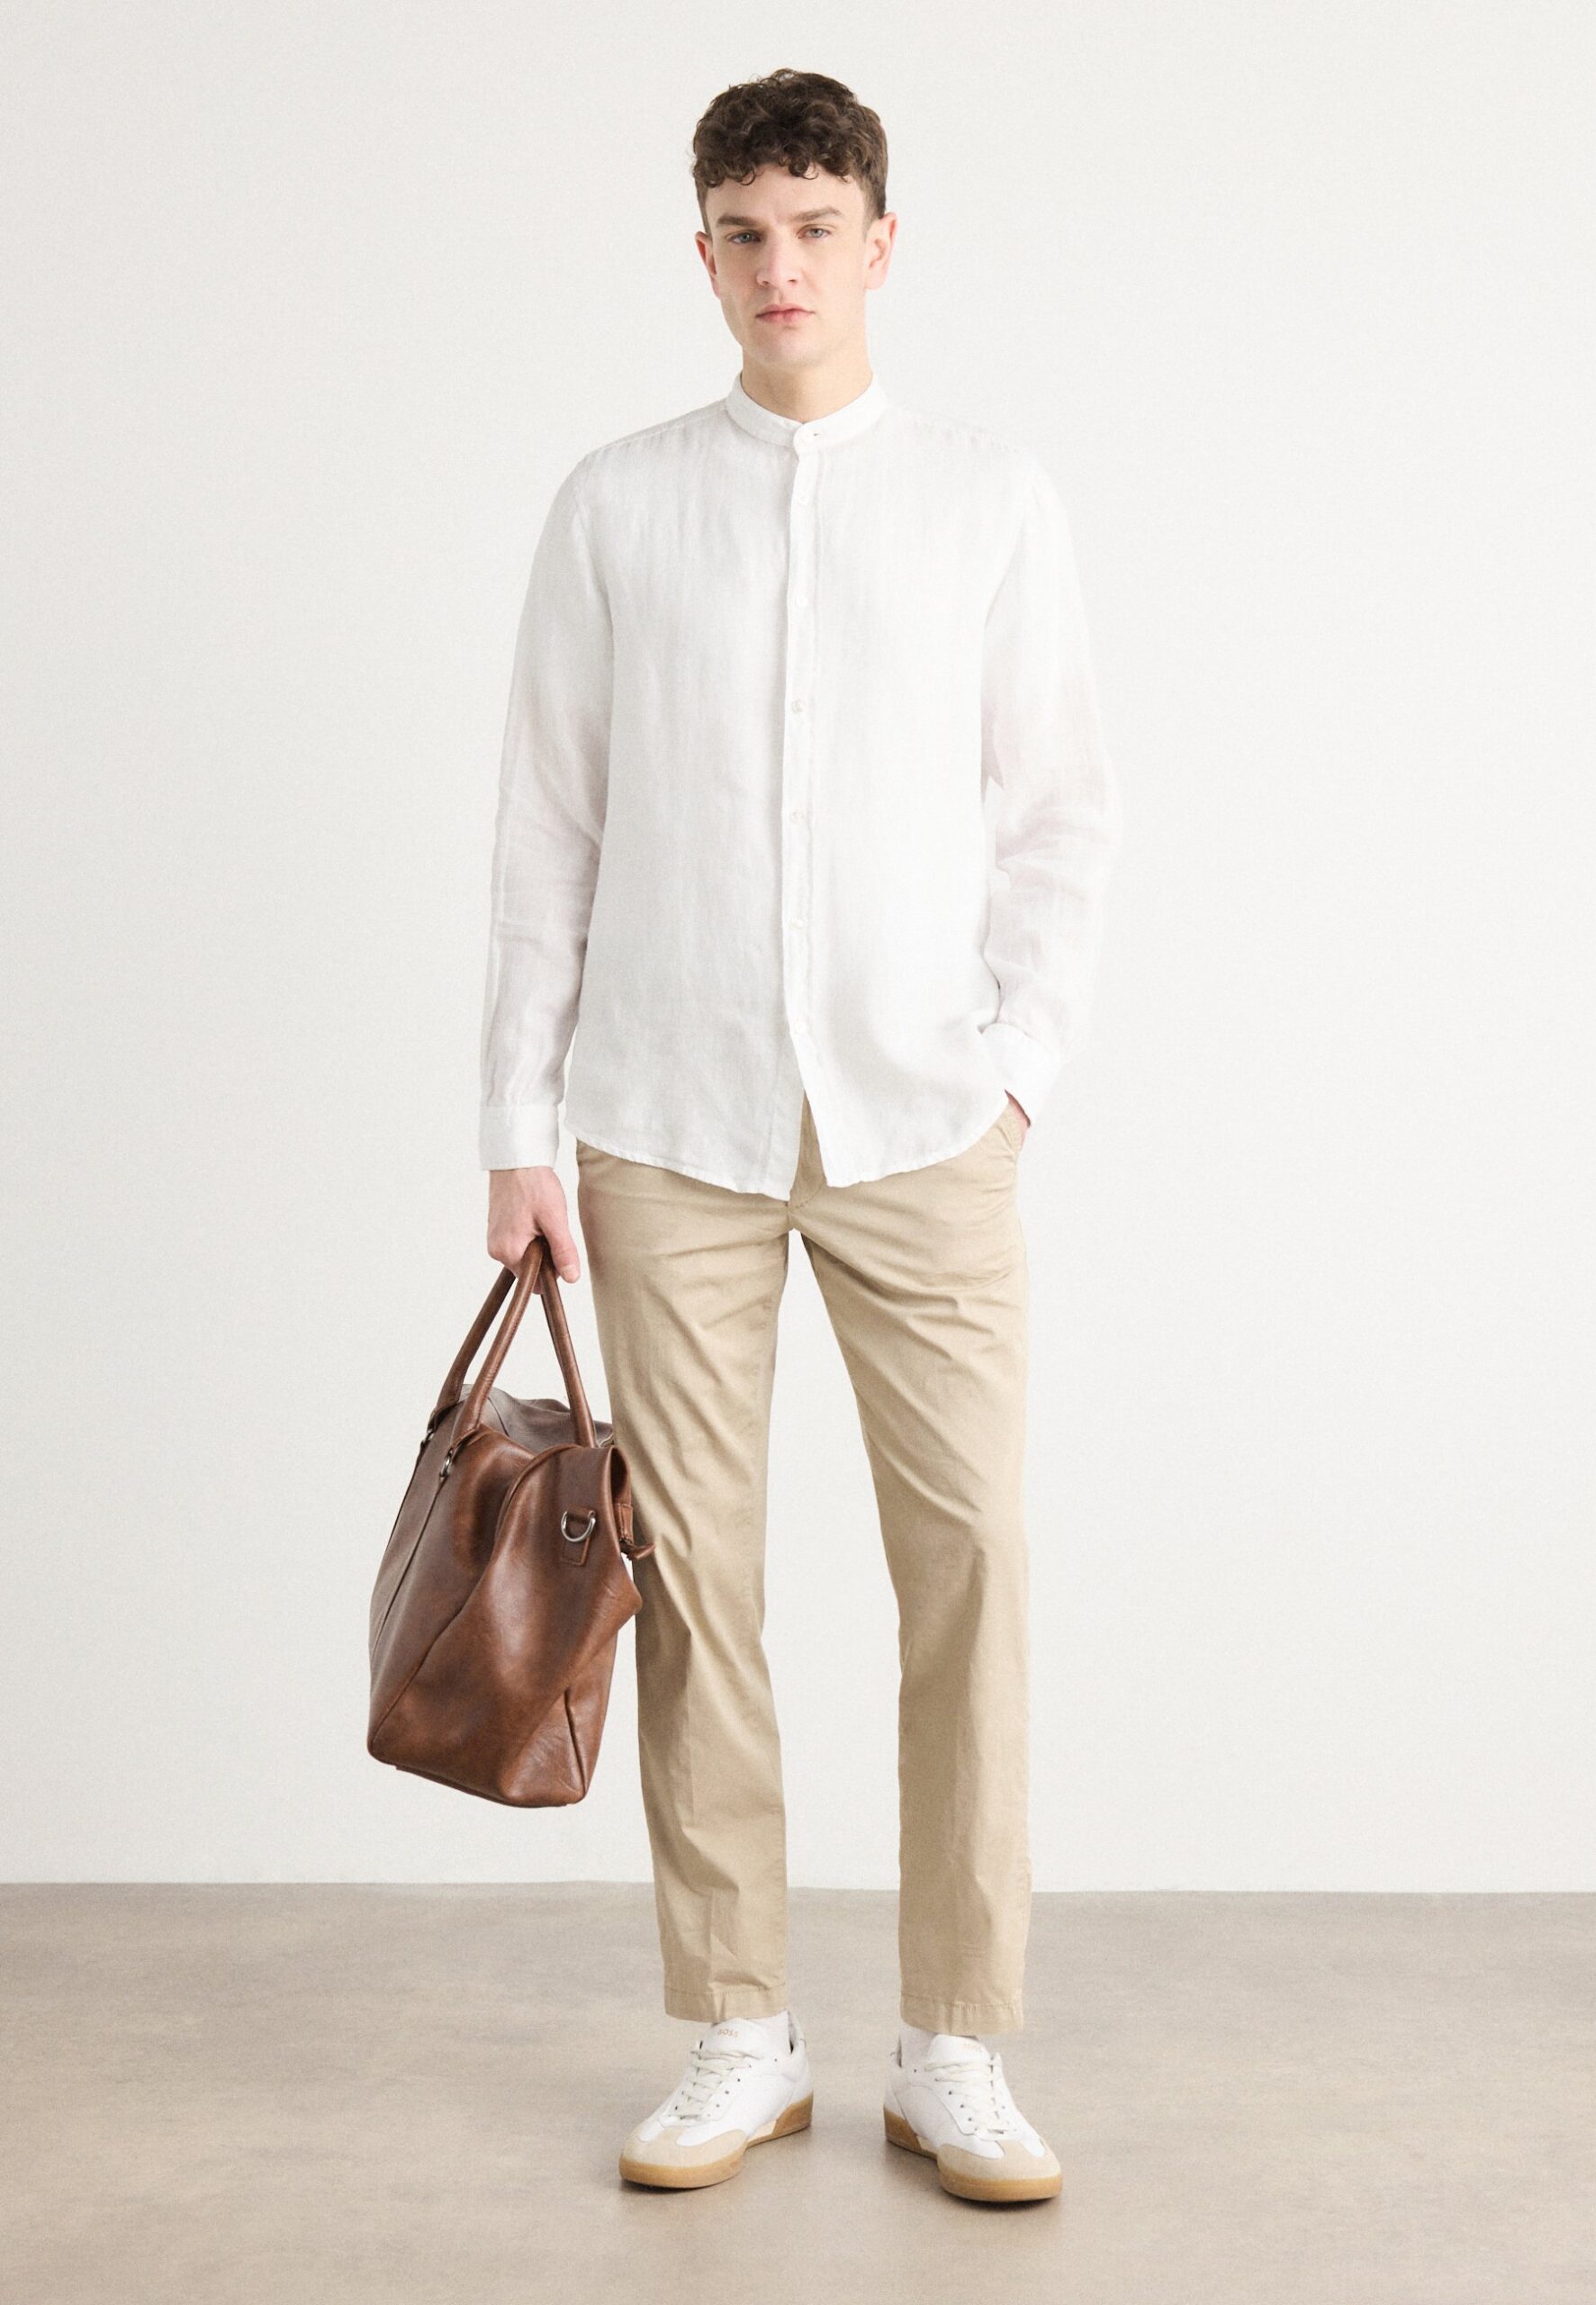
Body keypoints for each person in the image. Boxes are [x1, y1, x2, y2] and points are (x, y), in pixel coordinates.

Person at [478, 68, 1122, 2205]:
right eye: (744, 234)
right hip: (664, 1123)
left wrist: (1016, 1062)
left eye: (814, 228)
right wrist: (516, 1121)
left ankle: (955, 2040)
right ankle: (737, 2027)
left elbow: (1059, 810)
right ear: (703, 254)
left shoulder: (985, 496)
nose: (780, 268)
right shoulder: (615, 504)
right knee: (695, 1584)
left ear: (878, 243)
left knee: (971, 1561)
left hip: (923, 1117)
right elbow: (545, 831)